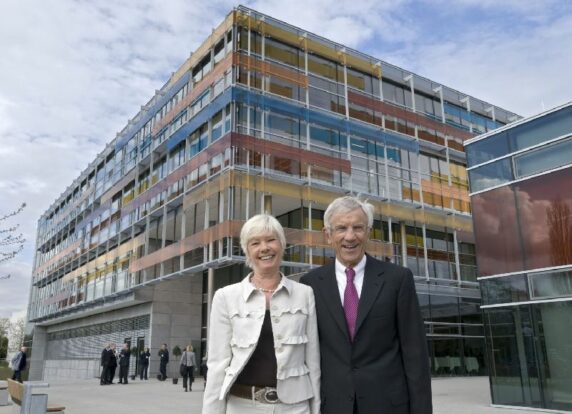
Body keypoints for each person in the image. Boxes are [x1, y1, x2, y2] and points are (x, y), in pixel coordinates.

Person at [300, 196, 432, 414]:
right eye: (341, 228)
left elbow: (415, 355)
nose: (350, 236)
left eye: (358, 227)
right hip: (333, 406)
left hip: (388, 406)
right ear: (328, 235)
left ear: (368, 232)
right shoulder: (310, 284)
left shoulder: (397, 279)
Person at [202, 214, 320, 414]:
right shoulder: (225, 297)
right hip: (242, 406)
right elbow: (217, 365)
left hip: (294, 408)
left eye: (271, 240)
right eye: (255, 243)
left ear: (282, 245)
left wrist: (315, 409)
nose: (264, 248)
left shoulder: (305, 294)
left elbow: (313, 361)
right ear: (247, 251)